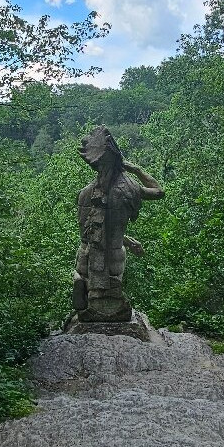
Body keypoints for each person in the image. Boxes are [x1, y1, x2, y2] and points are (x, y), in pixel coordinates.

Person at [73, 125, 164, 322]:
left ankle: (80, 282)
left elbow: (89, 234)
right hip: (114, 255)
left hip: (88, 257)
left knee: (85, 260)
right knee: (113, 287)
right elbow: (158, 191)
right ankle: (112, 308)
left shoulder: (85, 194)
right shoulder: (128, 189)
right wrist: (136, 169)